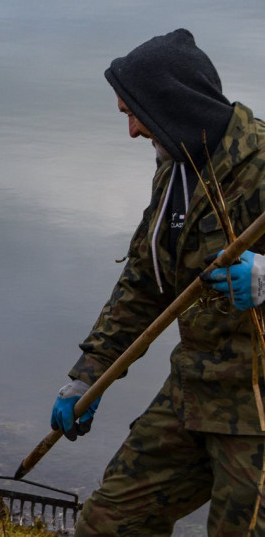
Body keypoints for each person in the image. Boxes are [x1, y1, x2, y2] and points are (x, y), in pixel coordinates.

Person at [49, 28, 265, 535]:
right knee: (109, 523)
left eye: (132, 113)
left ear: (170, 104)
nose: (131, 132)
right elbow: (144, 281)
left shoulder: (260, 165)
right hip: (193, 392)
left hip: (257, 408)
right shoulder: (178, 168)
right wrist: (90, 372)